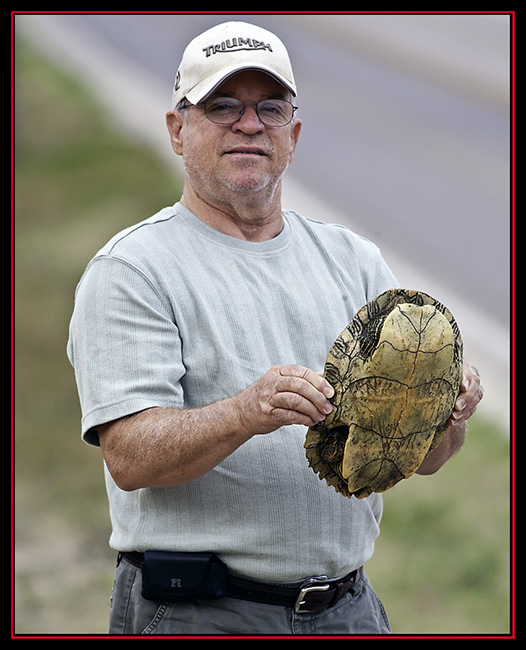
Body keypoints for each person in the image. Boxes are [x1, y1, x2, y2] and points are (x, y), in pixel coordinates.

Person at [67, 20, 483, 636]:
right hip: (197, 611)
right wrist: (248, 411)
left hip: (347, 609)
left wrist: (446, 415)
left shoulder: (354, 261)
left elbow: (421, 462)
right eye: (223, 106)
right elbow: (129, 456)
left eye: (270, 107)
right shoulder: (133, 269)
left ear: (293, 134)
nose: (249, 124)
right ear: (178, 130)